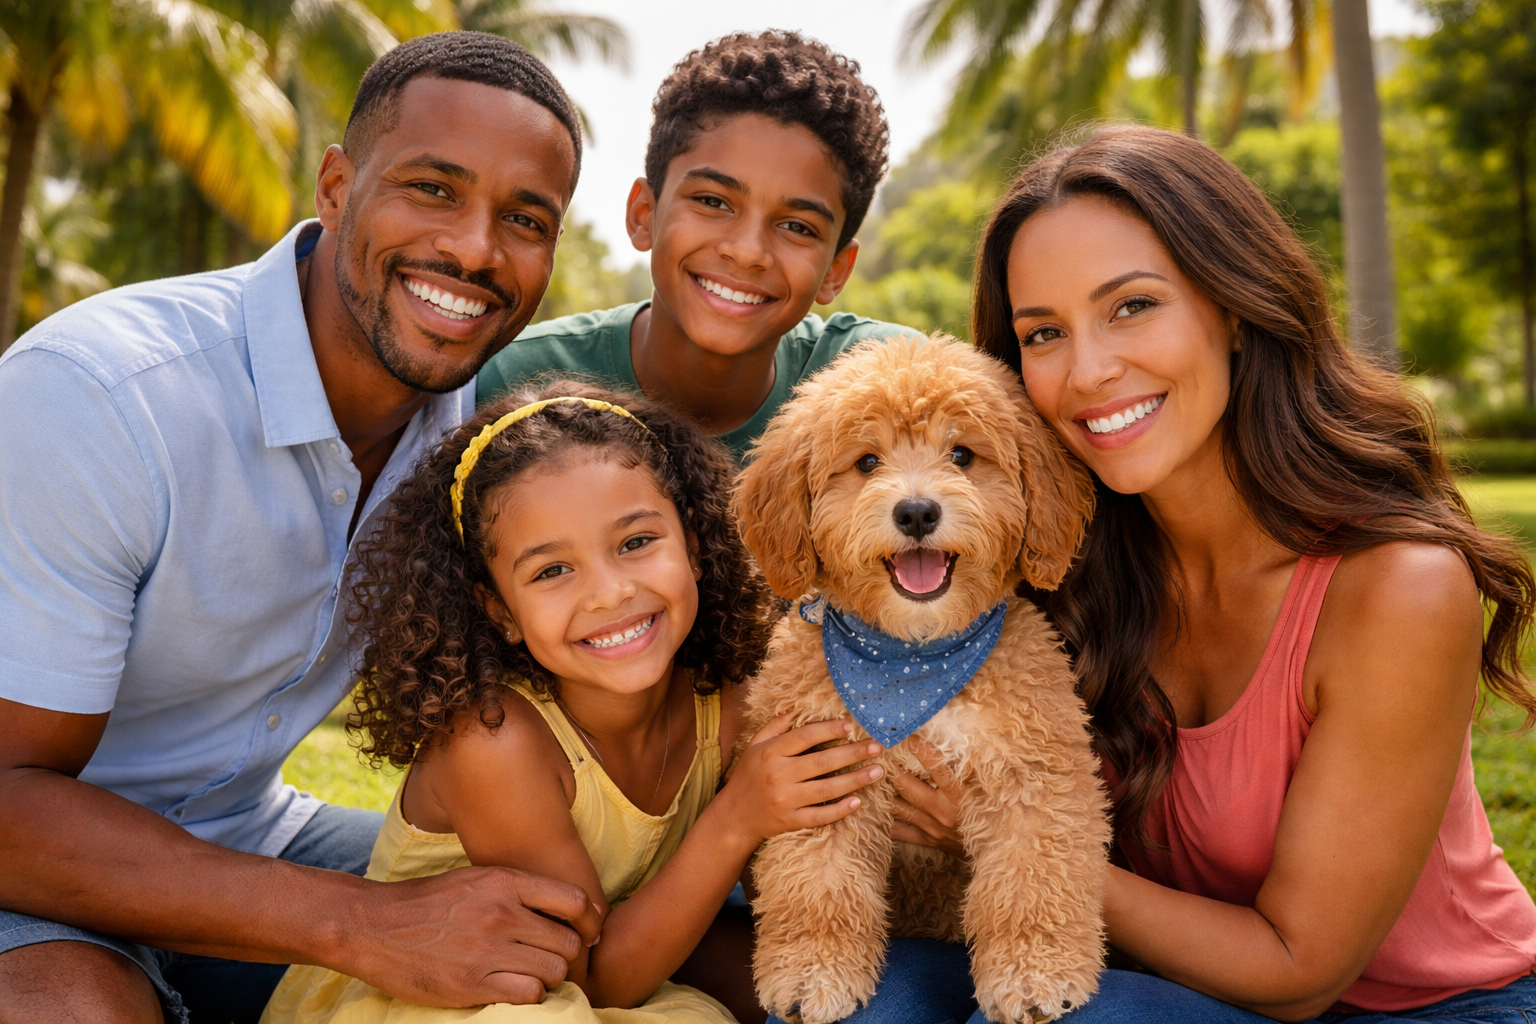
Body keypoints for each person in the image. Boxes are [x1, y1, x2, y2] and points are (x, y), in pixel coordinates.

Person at [856, 124, 1536, 1022]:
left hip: (1425, 1008)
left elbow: (1299, 972)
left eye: (1132, 306)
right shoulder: (1059, 557)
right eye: (1044, 332)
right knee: (874, 997)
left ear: (1236, 308)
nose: (1091, 370)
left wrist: (1014, 838)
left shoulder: (1396, 586)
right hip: (1167, 983)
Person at [0, 31, 606, 1024]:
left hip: (250, 834)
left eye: (526, 218)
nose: (474, 248)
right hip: (29, 868)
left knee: (556, 931)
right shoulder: (103, 398)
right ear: (334, 186)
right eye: (434, 188)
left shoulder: (482, 454)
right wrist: (359, 923)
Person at [260, 383, 888, 1024]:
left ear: (694, 546)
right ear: (499, 609)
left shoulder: (727, 694)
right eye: (552, 571)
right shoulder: (494, 740)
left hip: (631, 969)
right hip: (459, 997)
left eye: (636, 542)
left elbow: (773, 896)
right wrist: (739, 816)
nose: (610, 594)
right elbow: (591, 978)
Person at [476, 31, 921, 463]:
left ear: (836, 270)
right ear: (644, 215)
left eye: (797, 227)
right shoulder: (513, 383)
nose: (747, 252)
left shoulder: (894, 379)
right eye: (712, 202)